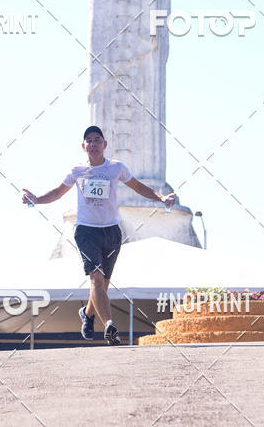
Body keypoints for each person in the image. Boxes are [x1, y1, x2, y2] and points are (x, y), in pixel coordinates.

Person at [22, 126, 176, 345]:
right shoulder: (77, 171)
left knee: (102, 284)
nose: (93, 144)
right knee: (95, 277)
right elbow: (57, 192)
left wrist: (161, 199)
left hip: (111, 231)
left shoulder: (116, 168)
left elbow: (137, 186)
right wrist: (36, 199)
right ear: (83, 146)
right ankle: (110, 326)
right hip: (86, 230)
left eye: (97, 140)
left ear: (105, 145)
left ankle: (87, 313)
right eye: (89, 141)